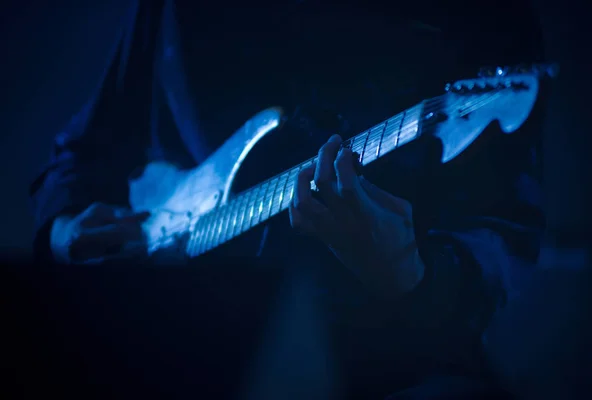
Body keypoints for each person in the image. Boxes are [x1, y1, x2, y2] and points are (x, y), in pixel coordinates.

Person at [29, 0, 547, 398]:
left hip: (379, 359)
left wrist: (415, 276)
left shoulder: (481, 16)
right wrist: (65, 229)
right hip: (166, 344)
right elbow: (81, 151)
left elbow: (507, 228)